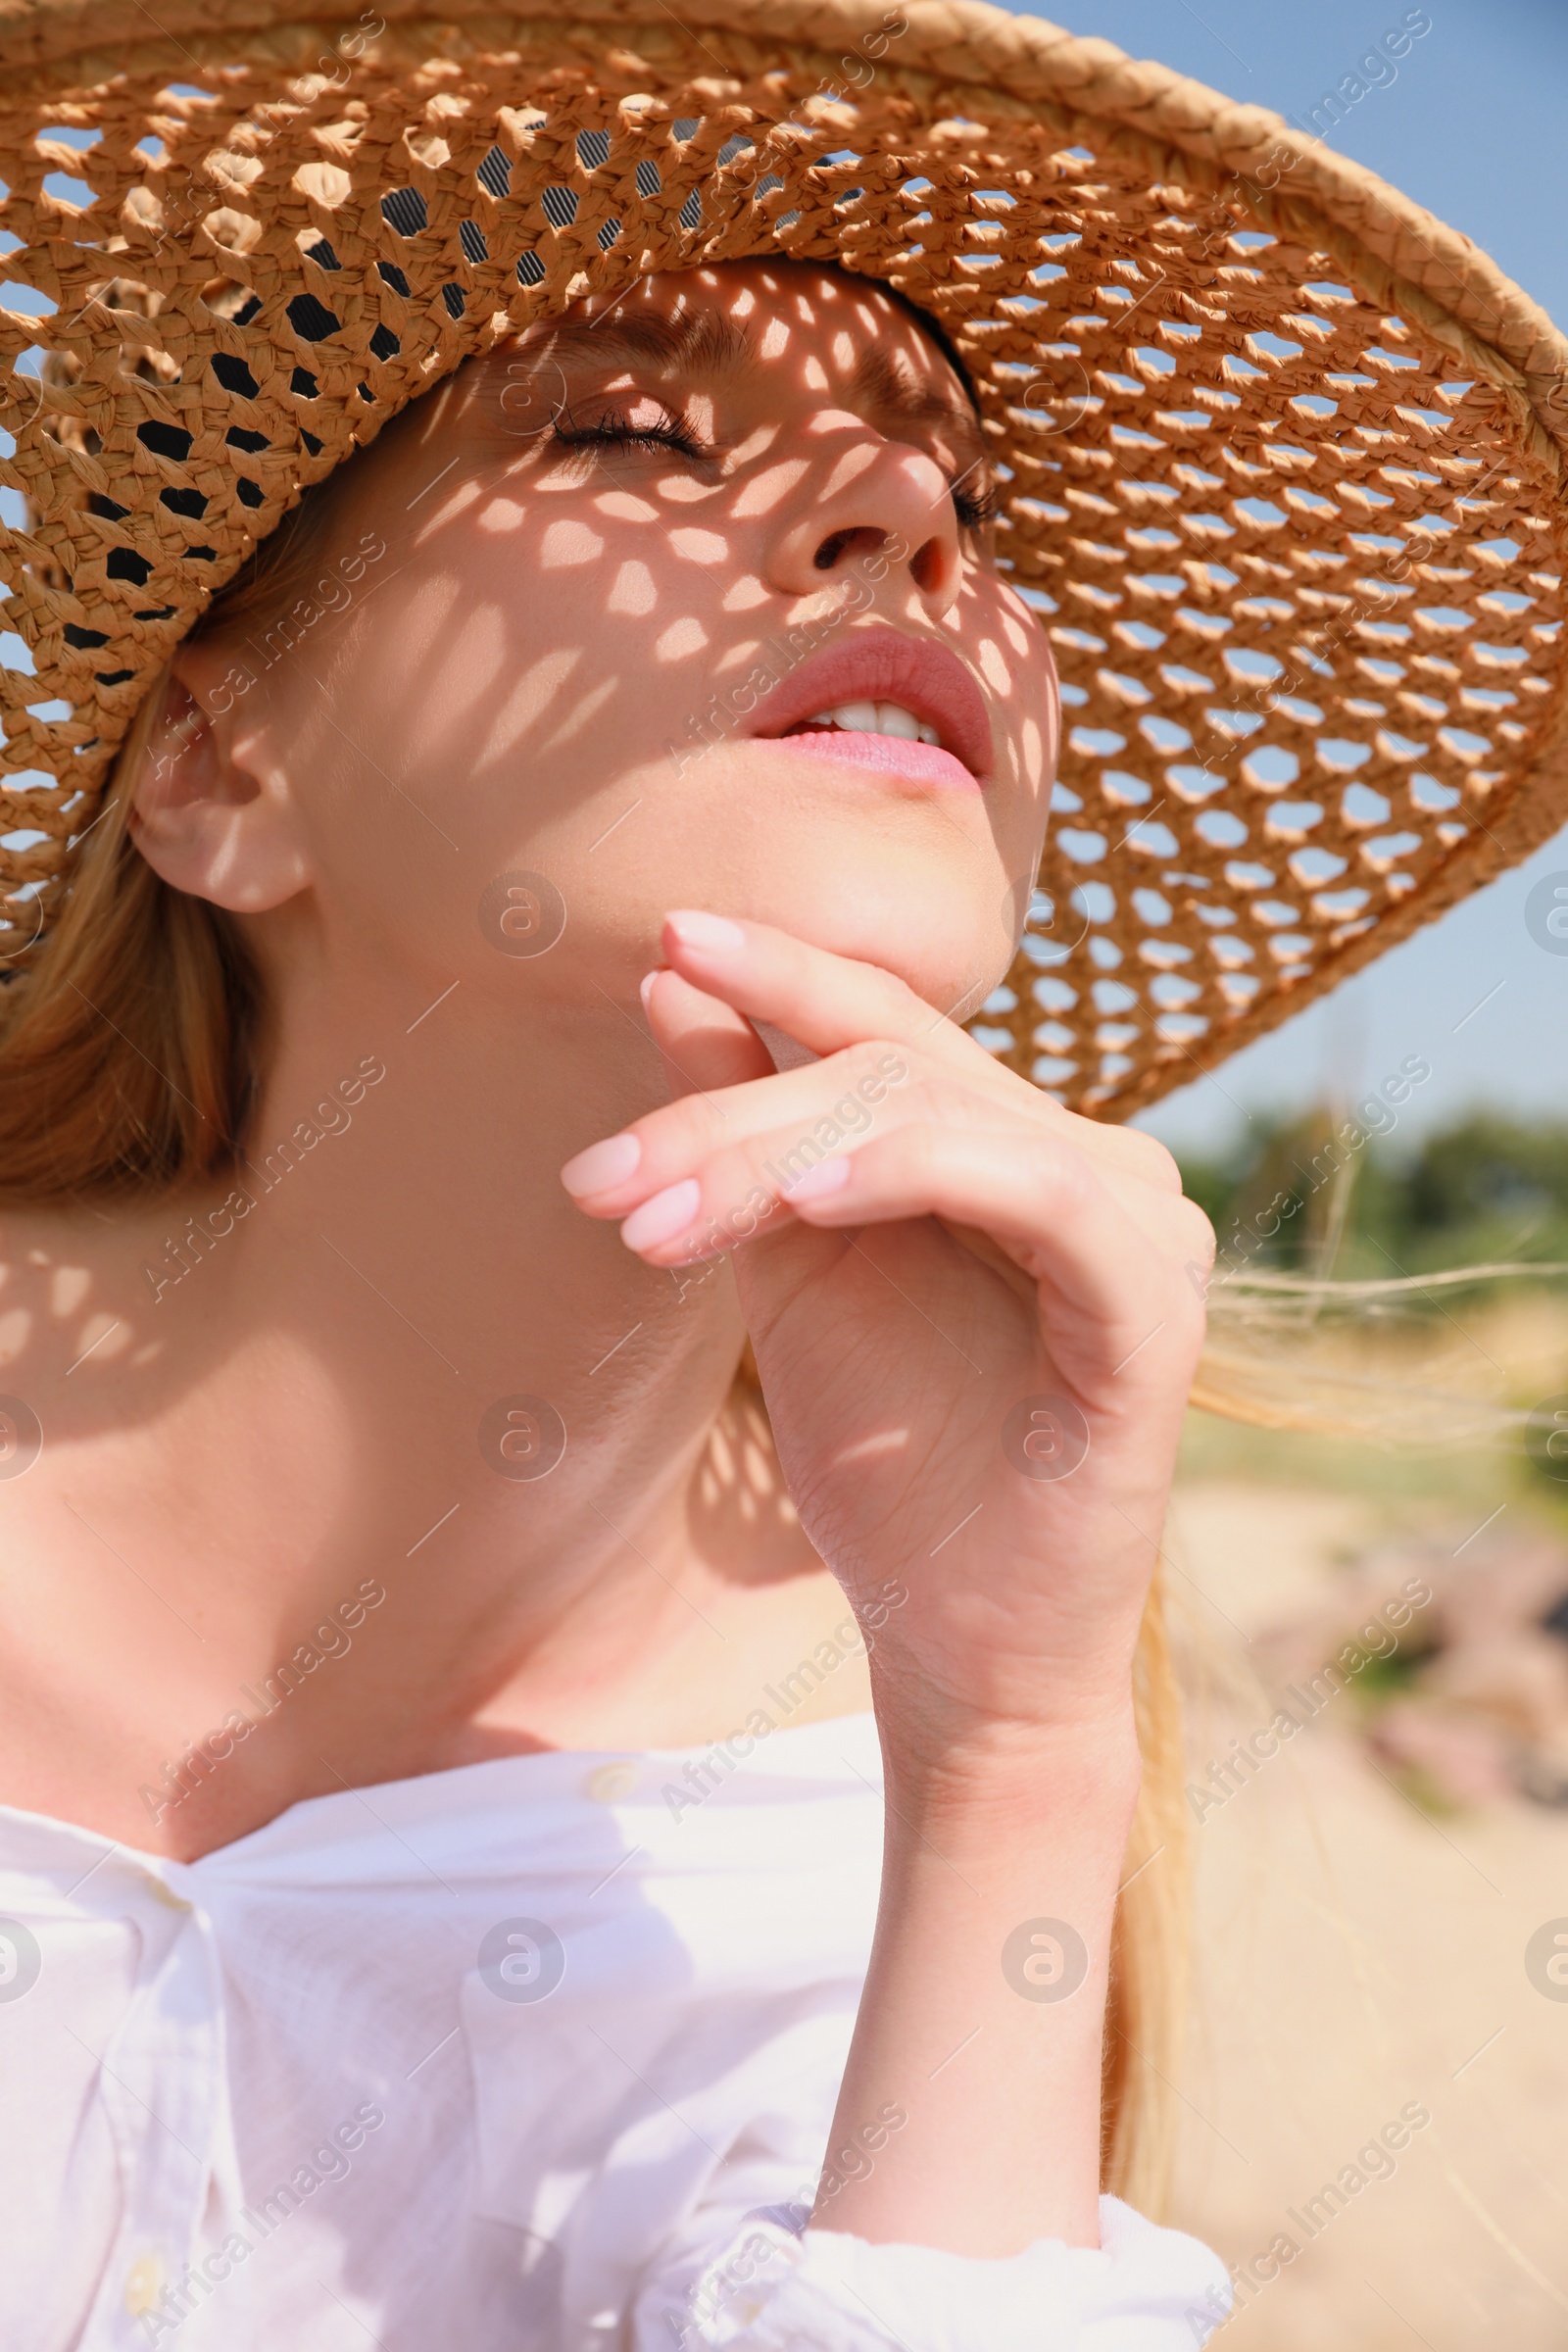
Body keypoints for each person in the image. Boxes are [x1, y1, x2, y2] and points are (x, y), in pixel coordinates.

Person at [0, 2, 1561, 2345]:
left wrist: (1010, 1760)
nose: (909, 520)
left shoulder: (913, 1714)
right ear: (220, 773)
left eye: (965, 497)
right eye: (628, 426)